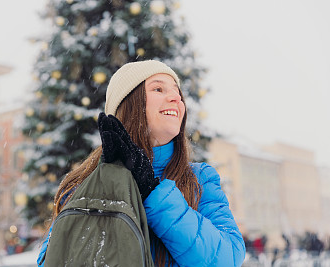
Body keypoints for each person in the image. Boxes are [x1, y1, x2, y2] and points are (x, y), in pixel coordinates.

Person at [37, 60, 246, 266]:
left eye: (177, 92)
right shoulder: (84, 183)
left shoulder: (200, 179)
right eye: (158, 88)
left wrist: (154, 192)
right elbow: (52, 259)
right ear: (128, 104)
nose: (176, 97)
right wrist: (106, 186)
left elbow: (229, 258)